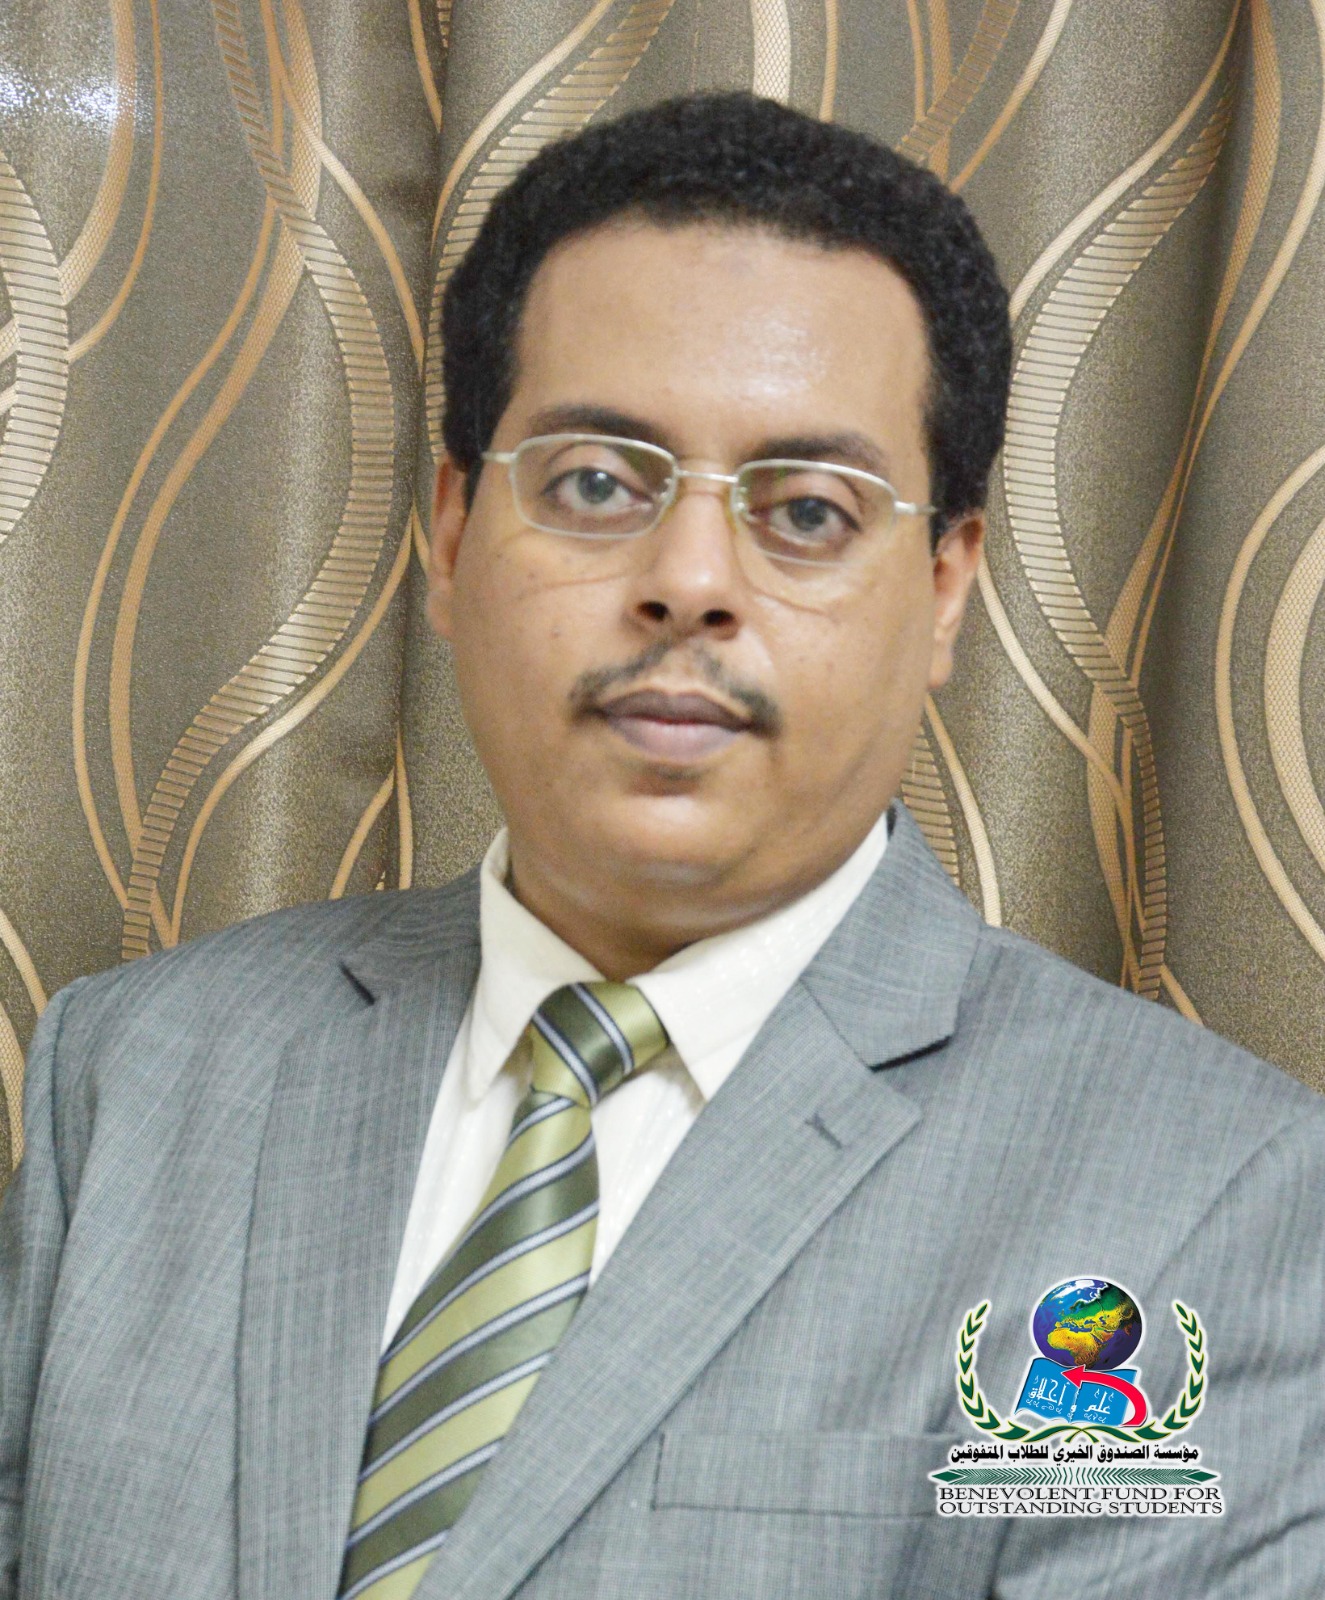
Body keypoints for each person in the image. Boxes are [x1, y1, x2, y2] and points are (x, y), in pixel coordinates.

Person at [2, 92, 1323, 1600]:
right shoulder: (141, 1071)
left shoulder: (1215, 1199)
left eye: (807, 511)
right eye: (594, 484)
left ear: (946, 586)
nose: (689, 580)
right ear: (452, 533)